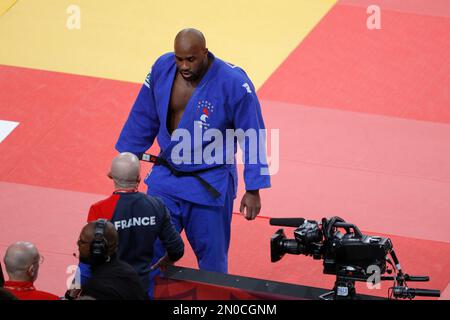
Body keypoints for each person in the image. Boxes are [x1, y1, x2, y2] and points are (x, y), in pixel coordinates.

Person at [116, 28, 271, 287]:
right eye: (180, 59)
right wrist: (127, 158)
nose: (184, 65)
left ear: (205, 53)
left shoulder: (234, 83)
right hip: (167, 178)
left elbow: (252, 134)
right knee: (148, 249)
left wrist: (253, 189)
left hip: (209, 183)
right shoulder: (162, 69)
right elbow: (144, 115)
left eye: (191, 59)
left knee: (212, 265)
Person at [86, 152, 184, 297]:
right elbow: (177, 249)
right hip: (142, 287)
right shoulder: (157, 205)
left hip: (110, 288)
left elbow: (91, 257)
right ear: (139, 178)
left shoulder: (99, 210)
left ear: (110, 176)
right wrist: (166, 260)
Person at [74, 219, 147, 300]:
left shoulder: (95, 289)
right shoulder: (129, 271)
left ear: (96, 249)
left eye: (82, 241)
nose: (78, 244)